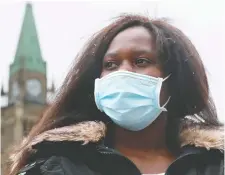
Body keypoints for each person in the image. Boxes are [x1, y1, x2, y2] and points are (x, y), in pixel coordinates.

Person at [9, 14, 224, 175]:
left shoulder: (214, 164)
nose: (123, 72)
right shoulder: (55, 167)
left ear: (174, 77)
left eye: (141, 61)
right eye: (110, 64)